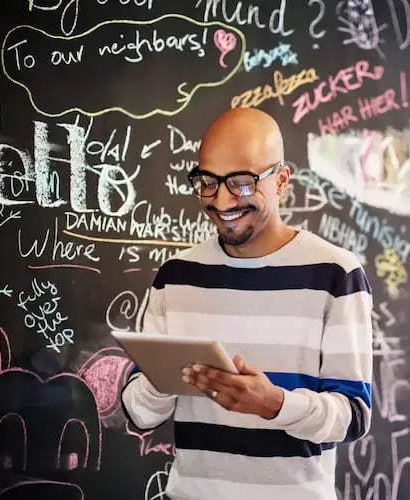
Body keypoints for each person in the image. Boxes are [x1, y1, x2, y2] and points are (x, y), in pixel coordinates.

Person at [121, 108, 373, 500]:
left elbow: (354, 416)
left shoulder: (334, 274)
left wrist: (275, 404)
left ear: (282, 181)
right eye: (207, 182)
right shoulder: (176, 275)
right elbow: (140, 413)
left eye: (241, 183)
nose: (221, 201)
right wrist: (163, 377)